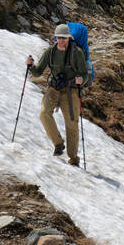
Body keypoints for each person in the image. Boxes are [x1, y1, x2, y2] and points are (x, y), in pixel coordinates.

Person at [25, 24, 88, 166]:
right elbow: (38, 72)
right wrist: (30, 65)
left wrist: (81, 79)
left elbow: (84, 73)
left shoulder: (76, 52)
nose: (61, 40)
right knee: (43, 113)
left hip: (71, 90)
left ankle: (73, 159)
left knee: (72, 124)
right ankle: (58, 143)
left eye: (64, 38)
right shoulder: (50, 52)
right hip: (53, 88)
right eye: (59, 38)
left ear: (68, 38)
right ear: (55, 38)